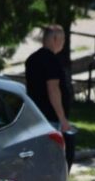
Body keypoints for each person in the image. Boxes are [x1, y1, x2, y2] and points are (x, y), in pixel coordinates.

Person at [25, 25, 74, 169]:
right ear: (54, 39)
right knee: (52, 160)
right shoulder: (52, 60)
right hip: (51, 119)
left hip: (35, 115)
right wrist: (62, 119)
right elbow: (53, 90)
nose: (63, 42)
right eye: (63, 39)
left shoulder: (32, 59)